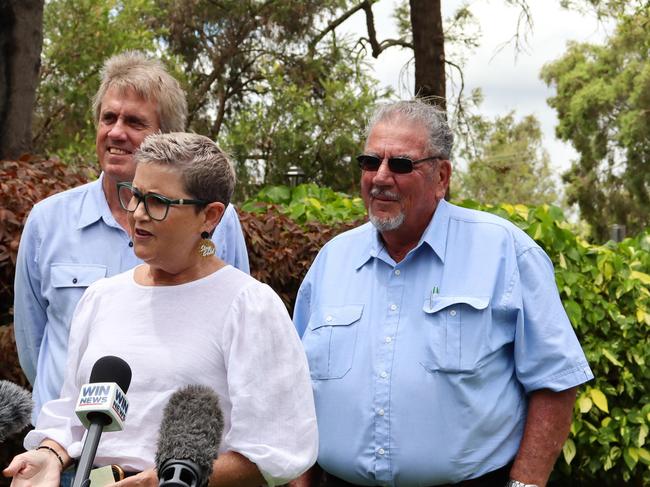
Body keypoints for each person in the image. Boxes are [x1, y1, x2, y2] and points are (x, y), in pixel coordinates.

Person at [292, 100, 593, 487]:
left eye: (400, 164)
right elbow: (295, 386)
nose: (380, 177)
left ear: (441, 177)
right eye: (370, 162)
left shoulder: (505, 251)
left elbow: (555, 382)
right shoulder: (333, 259)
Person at [4, 132, 318, 487]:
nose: (137, 213)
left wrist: (170, 479)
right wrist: (49, 454)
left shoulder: (250, 307)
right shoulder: (101, 297)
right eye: (134, 195)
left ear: (210, 216)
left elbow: (275, 450)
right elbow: (69, 417)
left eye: (156, 201)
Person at [13, 51, 250, 422]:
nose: (116, 132)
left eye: (135, 122)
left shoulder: (216, 220)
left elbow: (238, 327)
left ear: (165, 138)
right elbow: (34, 347)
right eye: (109, 117)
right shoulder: (48, 221)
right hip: (66, 454)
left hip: (167, 459)